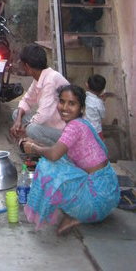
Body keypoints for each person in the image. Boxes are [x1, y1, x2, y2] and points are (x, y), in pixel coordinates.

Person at [22, 84, 120, 235]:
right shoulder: (82, 123)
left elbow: (54, 154)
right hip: (109, 195)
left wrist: (33, 148)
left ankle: (78, 214)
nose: (65, 107)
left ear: (81, 108)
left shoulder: (74, 127)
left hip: (96, 201)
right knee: (60, 162)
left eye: (72, 103)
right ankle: (78, 212)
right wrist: (35, 145)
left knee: (48, 166)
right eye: (62, 102)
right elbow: (60, 150)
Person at [10, 44, 69, 145]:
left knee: (32, 129)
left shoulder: (50, 80)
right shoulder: (39, 78)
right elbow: (26, 100)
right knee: (17, 114)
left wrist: (24, 128)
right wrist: (18, 120)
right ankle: (33, 142)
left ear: (27, 67)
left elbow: (43, 115)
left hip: (65, 131)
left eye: (22, 64)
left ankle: (56, 151)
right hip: (50, 123)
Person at [85, 74, 107, 139]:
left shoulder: (84, 98)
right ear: (103, 90)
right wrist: (103, 102)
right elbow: (103, 116)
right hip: (96, 130)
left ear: (87, 85)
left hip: (85, 129)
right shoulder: (99, 103)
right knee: (99, 146)